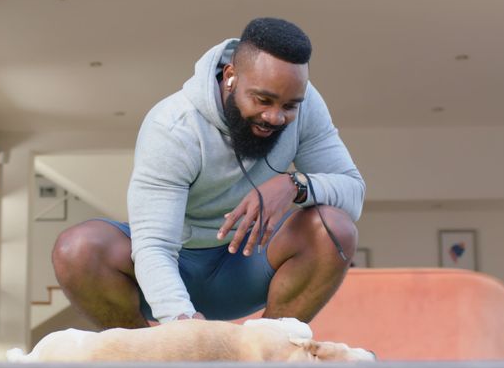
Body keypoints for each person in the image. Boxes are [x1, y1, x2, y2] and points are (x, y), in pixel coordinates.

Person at [52, 17, 364, 328]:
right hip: (172, 268)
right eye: (263, 100)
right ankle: (150, 366)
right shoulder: (174, 127)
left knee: (333, 227)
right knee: (77, 249)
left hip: (246, 268)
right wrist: (182, 321)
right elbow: (154, 246)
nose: (275, 116)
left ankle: (266, 364)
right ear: (231, 77)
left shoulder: (307, 106)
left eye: (289, 106)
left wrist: (295, 184)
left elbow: (352, 192)